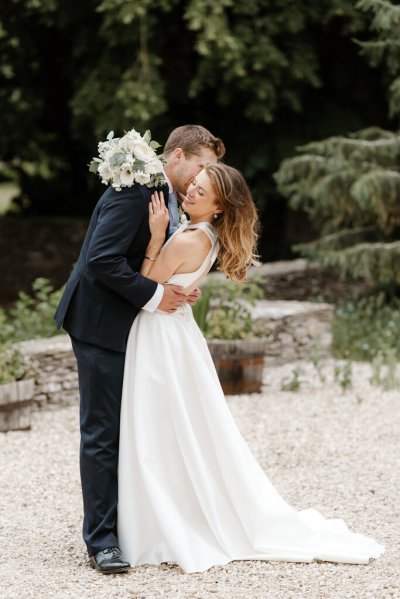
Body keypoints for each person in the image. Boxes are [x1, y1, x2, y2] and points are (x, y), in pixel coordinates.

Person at [117, 163, 384, 573]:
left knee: (158, 427)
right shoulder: (206, 236)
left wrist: (155, 237)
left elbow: (145, 283)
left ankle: (162, 519)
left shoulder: (187, 237)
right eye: (193, 186)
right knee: (177, 426)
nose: (189, 193)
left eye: (200, 192)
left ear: (219, 206)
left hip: (161, 338)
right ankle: (168, 509)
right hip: (176, 334)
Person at [54, 125, 226, 574]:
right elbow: (101, 259)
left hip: (135, 328)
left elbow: (158, 255)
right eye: (202, 165)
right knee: (102, 432)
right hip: (99, 324)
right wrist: (156, 296)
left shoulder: (169, 197)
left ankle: (136, 522)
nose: (203, 176)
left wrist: (180, 284)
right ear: (177, 157)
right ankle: (102, 542)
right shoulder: (136, 190)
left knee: (132, 427)